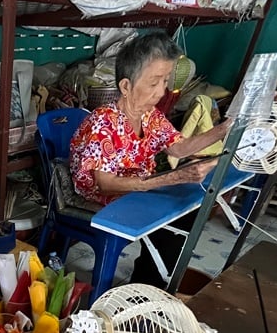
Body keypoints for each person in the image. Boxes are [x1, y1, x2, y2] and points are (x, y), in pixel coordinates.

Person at [70, 32, 232, 288]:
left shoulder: (151, 116)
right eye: (154, 82)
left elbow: (178, 149)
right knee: (170, 220)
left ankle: (150, 279)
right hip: (103, 193)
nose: (162, 91)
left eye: (165, 80)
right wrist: (160, 181)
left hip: (138, 185)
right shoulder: (103, 123)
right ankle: (148, 285)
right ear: (126, 86)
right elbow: (105, 183)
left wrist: (224, 130)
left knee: (188, 210)